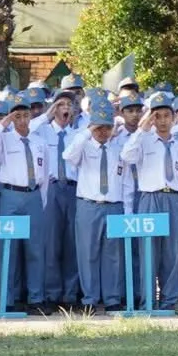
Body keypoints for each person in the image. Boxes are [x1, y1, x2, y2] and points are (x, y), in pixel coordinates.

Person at [0, 92, 51, 313]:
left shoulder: (39, 142)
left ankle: (36, 298)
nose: (22, 120)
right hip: (10, 195)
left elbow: (45, 175)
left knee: (35, 249)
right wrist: (4, 123)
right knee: (8, 249)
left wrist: (41, 200)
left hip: (33, 195)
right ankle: (7, 299)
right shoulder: (4, 138)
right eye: (17, 116)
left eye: (25, 115)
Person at [120, 91, 178, 310]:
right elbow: (126, 156)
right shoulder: (144, 141)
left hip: (172, 198)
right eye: (157, 116)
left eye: (166, 116)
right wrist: (142, 129)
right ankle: (148, 301)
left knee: (172, 253)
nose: (162, 121)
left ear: (174, 118)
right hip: (149, 198)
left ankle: (169, 301)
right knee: (148, 252)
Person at [65, 99, 129, 312]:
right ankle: (89, 299)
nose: (103, 132)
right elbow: (68, 156)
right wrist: (87, 132)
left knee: (113, 255)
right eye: (99, 127)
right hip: (89, 205)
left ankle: (112, 299)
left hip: (114, 205)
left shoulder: (118, 148)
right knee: (87, 253)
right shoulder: (83, 145)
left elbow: (126, 180)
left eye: (107, 127)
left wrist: (126, 208)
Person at [32, 90, 82, 308]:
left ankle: (70, 294)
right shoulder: (42, 131)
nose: (65, 109)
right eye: (61, 104)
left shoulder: (77, 134)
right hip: (51, 188)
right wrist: (47, 114)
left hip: (73, 189)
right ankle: (52, 294)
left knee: (72, 243)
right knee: (51, 243)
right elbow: (27, 129)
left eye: (69, 105)